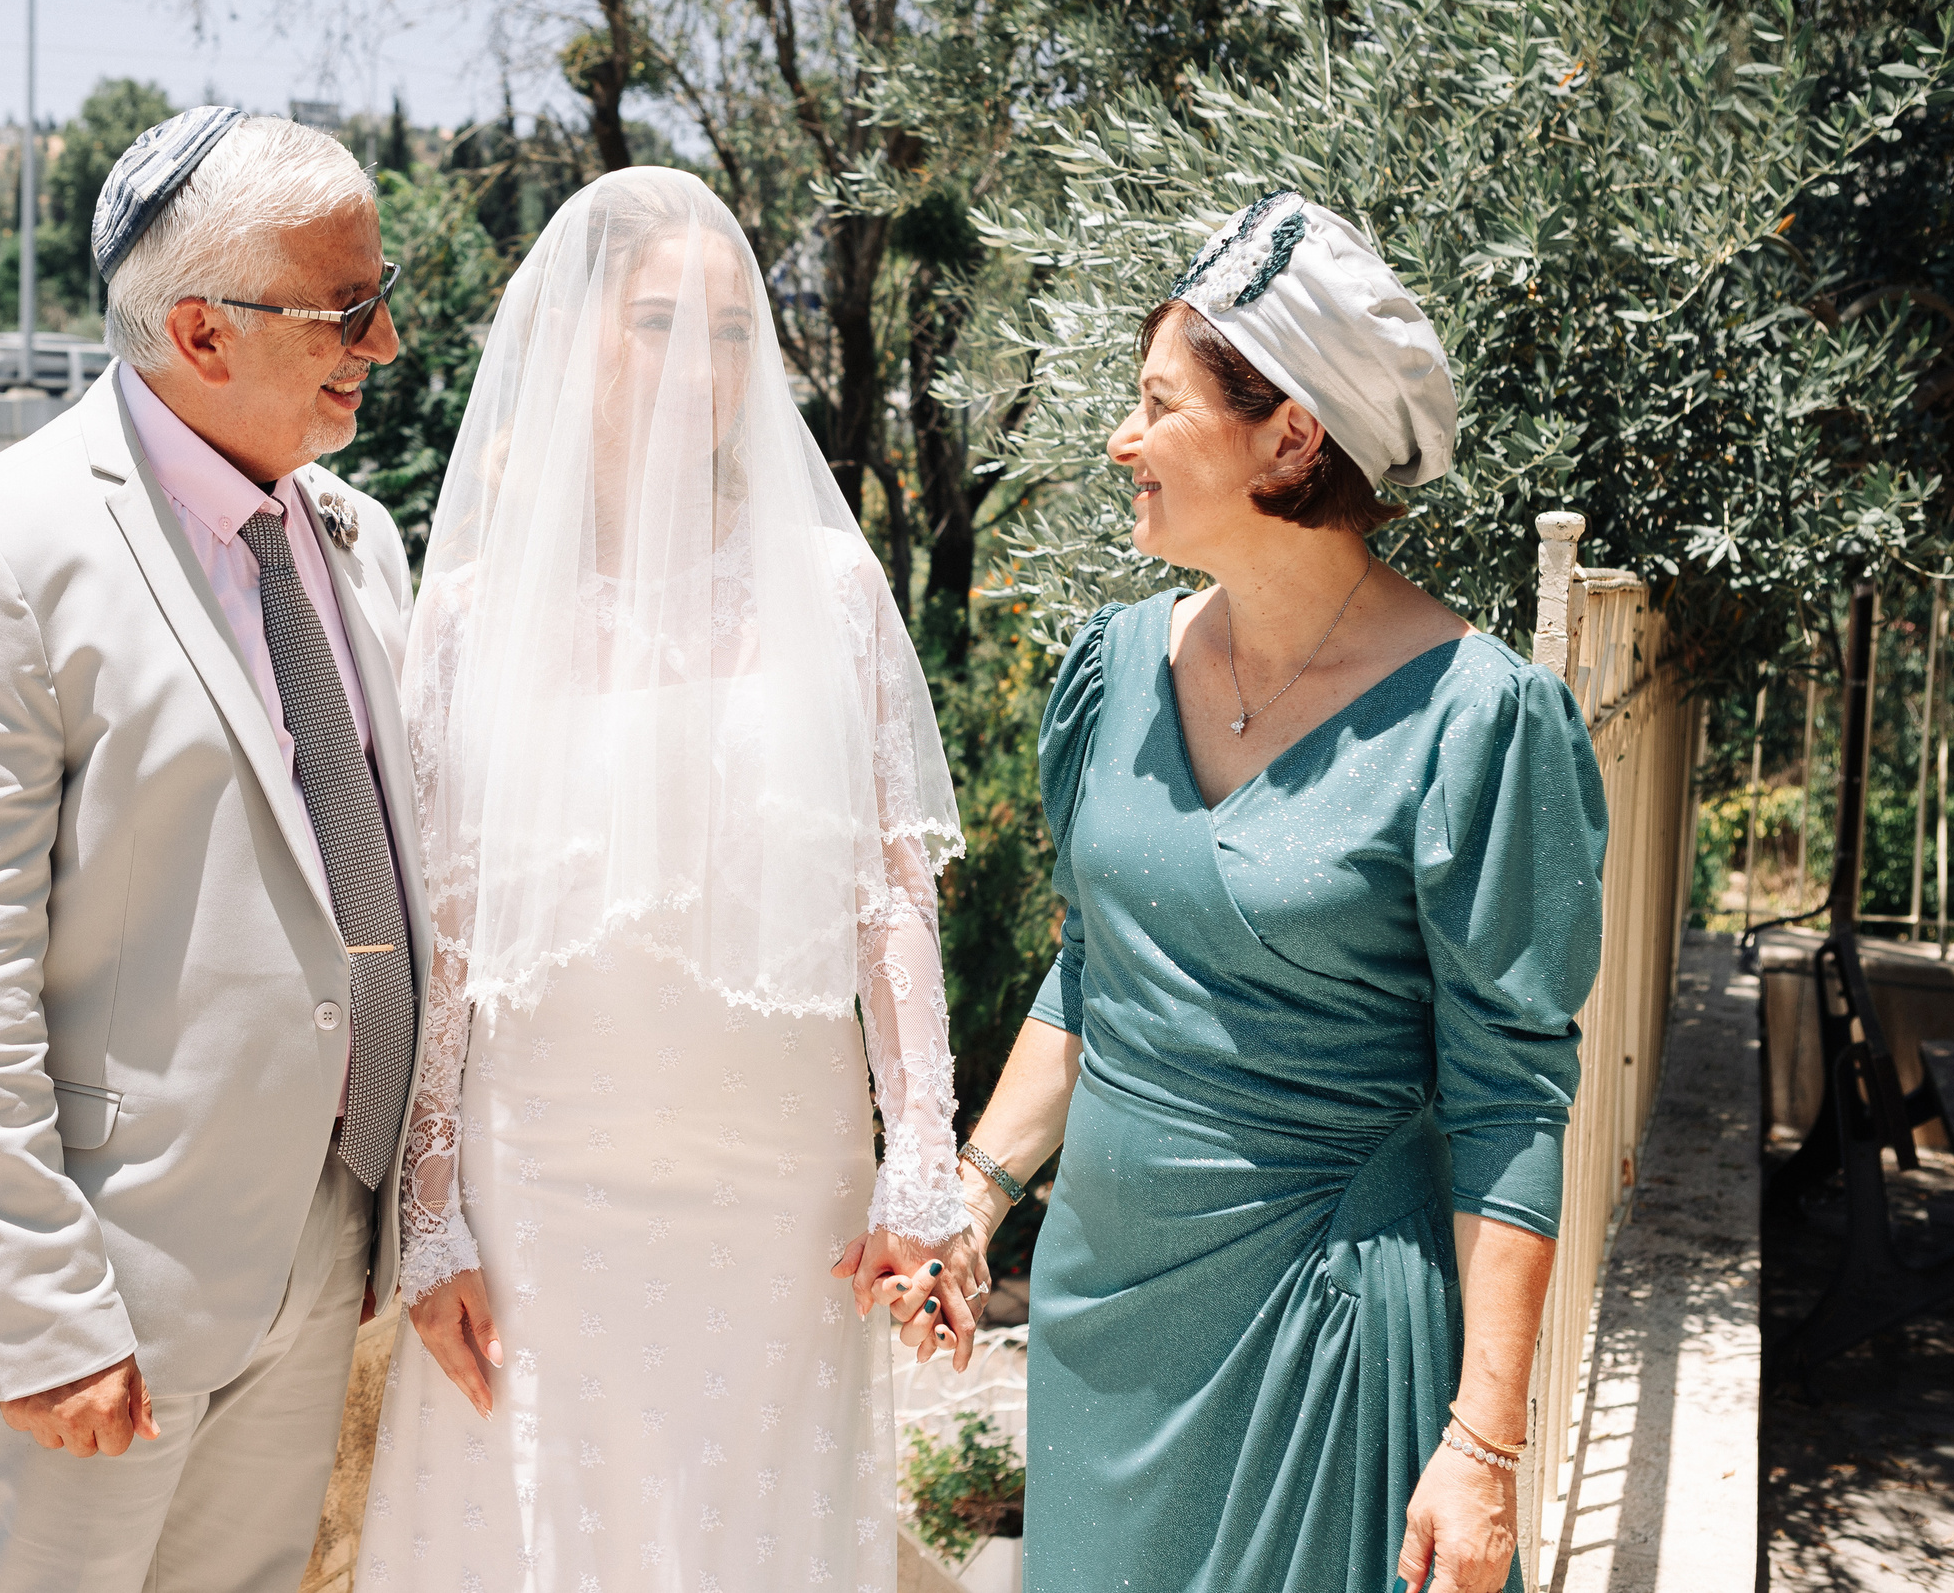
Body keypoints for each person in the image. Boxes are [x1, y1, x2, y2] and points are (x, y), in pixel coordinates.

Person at [949, 191, 1611, 1593]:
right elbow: (1096, 971)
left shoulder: (1478, 721)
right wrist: (973, 1197)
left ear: (1291, 439)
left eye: (1158, 405)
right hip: (1100, 1332)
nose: (1121, 439)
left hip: (1324, 1341)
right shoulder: (1113, 668)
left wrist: (1484, 1448)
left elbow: (1511, 1100)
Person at [358, 166, 984, 1590]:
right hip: (541, 1175)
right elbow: (445, 930)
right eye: (657, 324)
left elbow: (890, 893)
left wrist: (922, 1158)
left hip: (779, 1178)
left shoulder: (831, 588)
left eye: (730, 331)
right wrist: (431, 1209)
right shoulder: (467, 618)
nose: (701, 365)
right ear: (569, 338)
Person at [0, 108, 426, 1593]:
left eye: (382, 293)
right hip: (99, 1287)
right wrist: (40, 1307)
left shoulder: (355, 532)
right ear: (200, 330)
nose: (385, 341)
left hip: (318, 1250)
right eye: (347, 308)